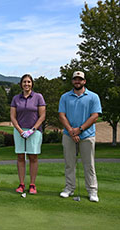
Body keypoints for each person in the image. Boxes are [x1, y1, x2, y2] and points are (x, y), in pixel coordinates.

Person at [58, 71, 102, 202]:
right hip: (68, 135)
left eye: (80, 79)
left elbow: (94, 116)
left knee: (89, 165)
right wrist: (72, 131)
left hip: (87, 135)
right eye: (75, 79)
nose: (77, 81)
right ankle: (69, 188)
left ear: (84, 81)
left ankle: (92, 191)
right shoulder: (65, 97)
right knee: (69, 164)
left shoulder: (93, 97)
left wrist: (80, 130)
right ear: (72, 81)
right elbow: (61, 115)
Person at [10, 74, 46, 194]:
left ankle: (32, 184)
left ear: (32, 84)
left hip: (34, 132)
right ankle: (21, 184)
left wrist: (32, 130)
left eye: (29, 82)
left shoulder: (38, 97)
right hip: (19, 131)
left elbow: (42, 116)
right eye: (24, 82)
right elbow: (12, 116)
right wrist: (20, 130)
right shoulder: (16, 98)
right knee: (20, 157)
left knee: (33, 157)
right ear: (21, 84)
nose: (26, 84)